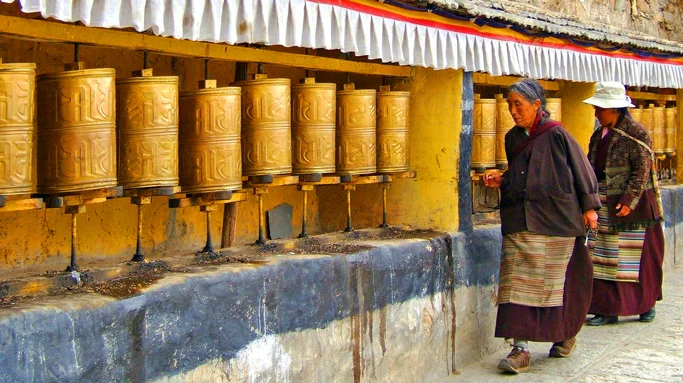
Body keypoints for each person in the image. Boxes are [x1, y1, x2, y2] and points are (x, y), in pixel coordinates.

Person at [484, 78, 600, 374]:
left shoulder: (557, 134)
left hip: (557, 220)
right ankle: (520, 348)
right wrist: (503, 179)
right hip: (520, 221)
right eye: (509, 105)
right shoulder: (512, 138)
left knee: (558, 284)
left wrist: (589, 208)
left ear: (537, 105)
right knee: (516, 285)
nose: (512, 110)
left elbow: (581, 170)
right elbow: (521, 173)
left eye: (518, 104)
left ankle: (565, 334)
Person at [583, 82, 664, 326]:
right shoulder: (599, 134)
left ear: (615, 109)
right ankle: (607, 309)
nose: (597, 113)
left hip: (635, 205)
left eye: (600, 109)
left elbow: (642, 169)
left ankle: (645, 304)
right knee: (604, 255)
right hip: (605, 201)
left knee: (640, 258)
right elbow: (590, 165)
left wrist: (629, 200)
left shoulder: (636, 133)